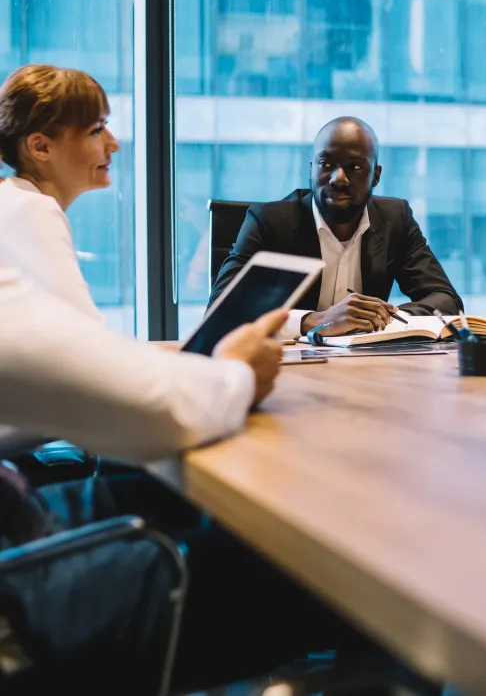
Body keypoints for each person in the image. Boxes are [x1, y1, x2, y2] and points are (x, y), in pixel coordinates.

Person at [0, 267, 390, 695]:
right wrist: (235, 373)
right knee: (339, 563)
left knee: (179, 501)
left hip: (17, 512)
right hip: (20, 602)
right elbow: (151, 414)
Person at [210, 116, 463, 339]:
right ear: (311, 169)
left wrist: (381, 316)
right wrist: (314, 321)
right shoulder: (269, 222)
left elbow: (445, 299)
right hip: (287, 371)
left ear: (376, 175)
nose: (338, 179)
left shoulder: (395, 218)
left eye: (354, 167)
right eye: (326, 165)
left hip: (366, 368)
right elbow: (219, 313)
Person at [0, 64, 119, 320]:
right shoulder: (31, 209)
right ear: (41, 147)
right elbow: (87, 338)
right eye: (96, 130)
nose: (113, 144)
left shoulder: (12, 200)